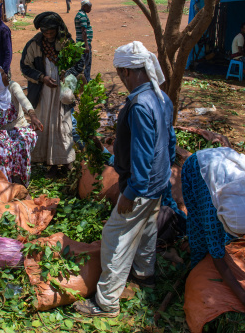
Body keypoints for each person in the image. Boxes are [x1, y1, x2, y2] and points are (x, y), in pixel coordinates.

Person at [74, 41, 175, 317]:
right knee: (146, 230)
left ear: (130, 72)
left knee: (115, 235)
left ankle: (106, 302)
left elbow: (142, 153)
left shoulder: (140, 104)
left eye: (120, 74)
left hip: (141, 186)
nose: (121, 79)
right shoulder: (161, 97)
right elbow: (169, 142)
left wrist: (132, 191)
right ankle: (145, 275)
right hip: (157, 182)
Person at [181, 147, 245, 327]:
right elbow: (218, 257)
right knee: (199, 235)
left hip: (227, 169)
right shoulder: (211, 214)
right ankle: (196, 267)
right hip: (199, 169)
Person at [20, 12, 84, 177]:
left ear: (58, 29)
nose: (48, 35)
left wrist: (68, 73)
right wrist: (42, 78)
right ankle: (49, 162)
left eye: (51, 32)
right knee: (45, 125)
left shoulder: (66, 43)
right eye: (45, 32)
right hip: (43, 93)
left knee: (63, 125)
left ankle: (66, 160)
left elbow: (79, 63)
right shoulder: (34, 44)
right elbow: (25, 67)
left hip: (61, 92)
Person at [0, 66, 43, 186]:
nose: (6, 75)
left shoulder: (12, 87)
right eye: (2, 74)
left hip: (19, 127)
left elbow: (24, 100)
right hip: (0, 133)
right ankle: (5, 183)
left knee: (21, 145)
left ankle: (20, 182)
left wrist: (32, 116)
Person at [75, 0, 93, 82]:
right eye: (89, 7)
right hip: (84, 43)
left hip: (80, 42)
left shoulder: (80, 14)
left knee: (81, 62)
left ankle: (82, 79)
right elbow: (84, 31)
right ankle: (86, 79)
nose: (90, 9)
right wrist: (86, 45)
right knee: (87, 63)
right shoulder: (82, 16)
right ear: (85, 6)